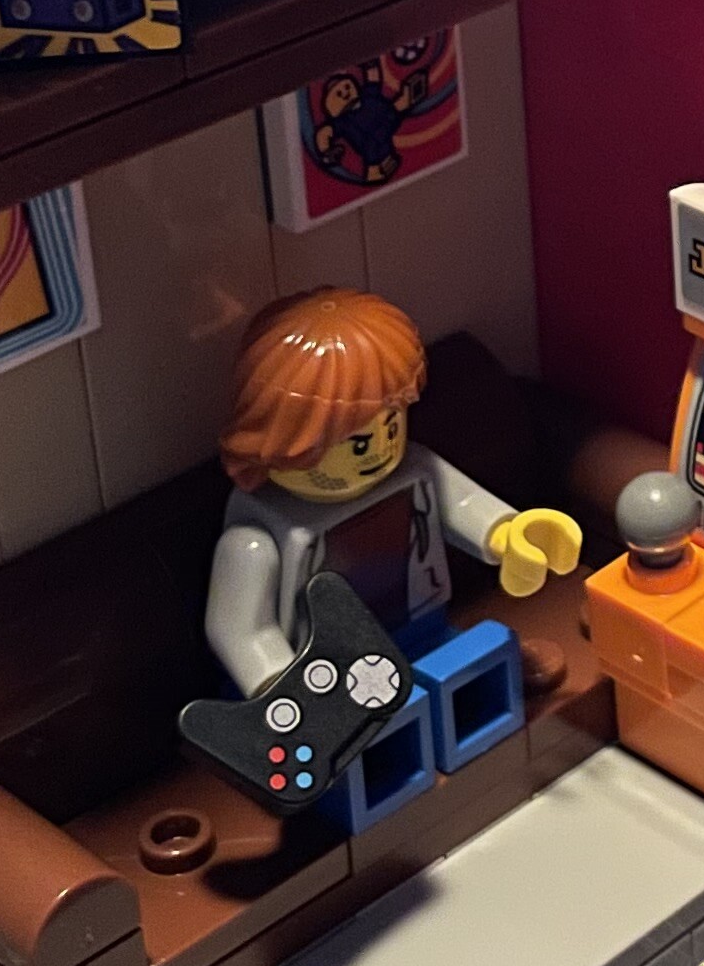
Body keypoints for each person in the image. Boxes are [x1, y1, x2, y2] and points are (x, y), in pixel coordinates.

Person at [205, 287, 580, 693]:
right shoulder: (254, 541)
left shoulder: (415, 469)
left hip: (420, 634)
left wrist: (510, 536)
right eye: (358, 444)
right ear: (285, 437)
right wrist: (279, 684)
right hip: (326, 677)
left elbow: (464, 504)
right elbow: (240, 630)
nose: (381, 450)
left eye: (392, 425)